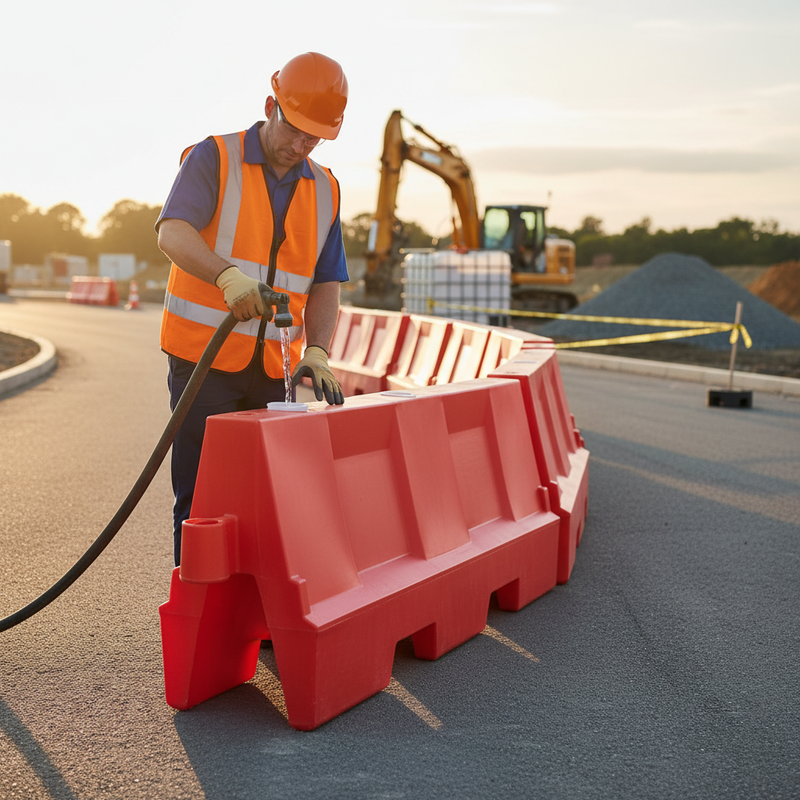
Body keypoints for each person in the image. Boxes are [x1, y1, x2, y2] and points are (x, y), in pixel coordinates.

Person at [156, 52, 349, 566]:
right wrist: (225, 275)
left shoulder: (326, 188)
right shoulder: (213, 157)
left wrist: (320, 350)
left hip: (274, 371)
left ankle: (255, 619)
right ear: (270, 105)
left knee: (266, 503)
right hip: (204, 362)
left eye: (314, 138)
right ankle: (201, 617)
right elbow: (171, 230)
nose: (299, 146)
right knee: (201, 500)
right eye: (293, 130)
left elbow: (326, 280)